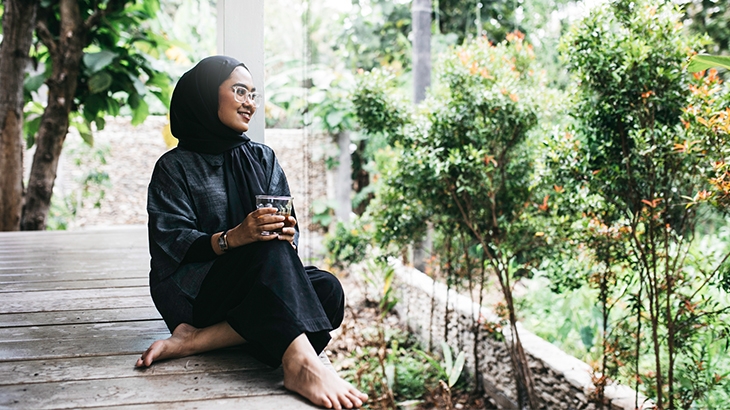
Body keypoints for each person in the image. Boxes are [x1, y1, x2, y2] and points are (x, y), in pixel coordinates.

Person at [136, 55, 368, 410]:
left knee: (328, 290)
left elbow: (284, 234)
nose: (250, 103)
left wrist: (288, 233)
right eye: (239, 91)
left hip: (256, 278)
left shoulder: (263, 157)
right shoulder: (174, 166)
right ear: (205, 96)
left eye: (254, 95)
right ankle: (301, 364)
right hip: (195, 289)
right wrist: (233, 237)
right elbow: (172, 240)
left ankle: (196, 341)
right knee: (266, 253)